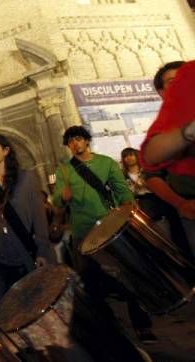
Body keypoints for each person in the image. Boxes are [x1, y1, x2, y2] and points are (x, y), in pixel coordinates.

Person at [53, 125, 157, 343]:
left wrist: (128, 206)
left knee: (127, 273)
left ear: (87, 140)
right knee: (89, 281)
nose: (75, 144)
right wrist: (62, 196)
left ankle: (141, 324)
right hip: (82, 233)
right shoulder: (64, 169)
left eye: (79, 139)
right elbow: (56, 201)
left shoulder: (106, 163)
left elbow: (121, 189)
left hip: (110, 228)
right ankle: (110, 327)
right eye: (71, 141)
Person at [0, 135, 55, 308]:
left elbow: (39, 218)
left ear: (5, 151)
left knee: (37, 306)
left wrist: (41, 251)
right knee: (5, 310)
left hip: (29, 253)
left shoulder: (26, 179)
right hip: (1, 258)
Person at [141, 60, 195, 258]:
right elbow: (152, 173)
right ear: (162, 93)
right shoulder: (161, 133)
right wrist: (181, 203)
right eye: (174, 82)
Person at [121, 147, 190, 257]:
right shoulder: (122, 176)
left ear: (136, 155)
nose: (128, 158)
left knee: (177, 229)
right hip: (144, 205)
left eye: (131, 155)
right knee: (160, 233)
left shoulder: (146, 170)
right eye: (125, 156)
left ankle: (185, 254)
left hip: (159, 200)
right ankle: (173, 255)